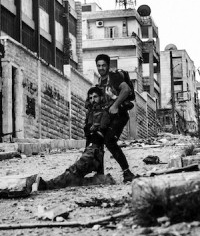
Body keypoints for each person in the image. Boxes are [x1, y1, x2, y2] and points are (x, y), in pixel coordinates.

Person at [38, 87, 114, 190]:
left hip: (95, 152)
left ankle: (48, 185)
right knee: (76, 180)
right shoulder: (90, 113)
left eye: (95, 97)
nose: (93, 100)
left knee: (72, 172)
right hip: (90, 150)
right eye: (90, 98)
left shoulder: (105, 112)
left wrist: (93, 130)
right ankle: (104, 179)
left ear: (101, 97)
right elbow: (89, 134)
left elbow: (100, 134)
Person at [95, 54, 137, 182]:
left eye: (103, 65)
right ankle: (100, 174)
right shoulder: (100, 81)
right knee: (99, 139)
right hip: (109, 116)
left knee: (110, 141)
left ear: (108, 66)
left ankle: (127, 172)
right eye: (98, 65)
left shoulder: (114, 77)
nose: (101, 68)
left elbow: (126, 89)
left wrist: (115, 105)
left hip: (120, 115)